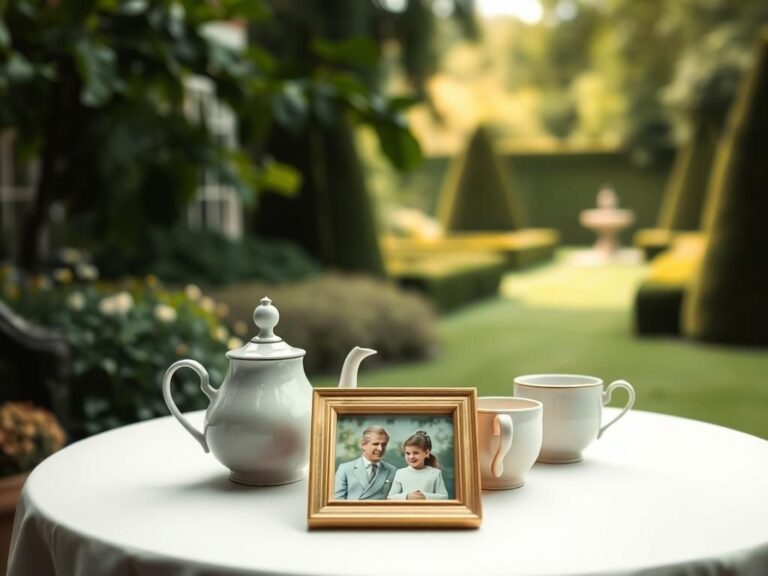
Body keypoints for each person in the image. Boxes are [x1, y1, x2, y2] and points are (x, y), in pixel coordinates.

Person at [334, 425, 398, 500]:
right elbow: (338, 502)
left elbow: (394, 500)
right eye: (376, 444)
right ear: (363, 445)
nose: (380, 449)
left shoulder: (392, 470)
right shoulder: (345, 469)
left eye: (384, 444)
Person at [387, 430, 449, 500]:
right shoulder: (400, 473)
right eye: (407, 453)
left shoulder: (436, 473)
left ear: (426, 453)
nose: (411, 457)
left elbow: (444, 497)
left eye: (416, 453)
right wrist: (407, 496)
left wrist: (425, 496)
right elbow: (390, 498)